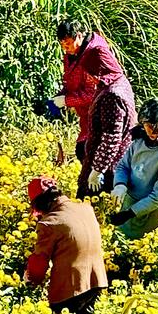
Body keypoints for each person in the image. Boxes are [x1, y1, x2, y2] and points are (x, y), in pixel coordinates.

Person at [56, 19, 136, 198]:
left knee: (94, 194)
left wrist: (97, 170)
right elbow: (72, 81)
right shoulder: (103, 80)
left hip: (112, 157)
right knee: (83, 154)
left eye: (91, 76)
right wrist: (58, 98)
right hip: (93, 129)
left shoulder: (112, 95)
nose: (90, 80)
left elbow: (111, 138)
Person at [24, 176, 108, 314]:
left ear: (41, 203)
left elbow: (39, 262)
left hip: (70, 291)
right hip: (97, 282)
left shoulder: (51, 223)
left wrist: (31, 281)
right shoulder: (86, 209)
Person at [110, 98, 158, 239]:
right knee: (120, 241)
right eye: (148, 127)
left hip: (153, 208)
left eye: (157, 129)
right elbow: (123, 165)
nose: (152, 133)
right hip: (132, 200)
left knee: (144, 247)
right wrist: (120, 185)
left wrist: (130, 213)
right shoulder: (140, 136)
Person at [49, 37, 98, 162]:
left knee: (86, 151)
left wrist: (65, 100)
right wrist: (56, 99)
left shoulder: (91, 55)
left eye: (69, 44)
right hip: (85, 118)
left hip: (99, 116)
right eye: (63, 45)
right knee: (82, 151)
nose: (66, 48)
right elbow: (71, 85)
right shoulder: (69, 57)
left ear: (79, 36)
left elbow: (92, 93)